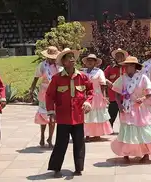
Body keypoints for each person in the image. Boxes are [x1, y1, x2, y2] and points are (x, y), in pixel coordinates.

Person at [46, 48, 93, 178]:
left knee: (79, 143)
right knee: (61, 143)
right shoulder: (56, 79)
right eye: (69, 58)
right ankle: (56, 168)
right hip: (63, 117)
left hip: (78, 116)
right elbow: (49, 95)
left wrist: (88, 102)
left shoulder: (82, 77)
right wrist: (51, 112)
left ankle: (78, 168)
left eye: (73, 57)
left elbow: (90, 90)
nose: (72, 60)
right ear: (64, 62)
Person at [111, 56, 151, 163]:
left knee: (144, 131)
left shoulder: (142, 77)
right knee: (127, 131)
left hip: (140, 109)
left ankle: (146, 154)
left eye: (130, 65)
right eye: (126, 66)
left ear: (135, 67)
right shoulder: (122, 78)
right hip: (127, 108)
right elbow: (116, 92)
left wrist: (144, 98)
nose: (128, 68)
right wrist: (119, 105)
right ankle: (126, 154)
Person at [29, 46, 62, 148]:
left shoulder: (59, 66)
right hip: (44, 93)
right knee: (43, 116)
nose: (52, 59)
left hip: (57, 93)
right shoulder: (42, 65)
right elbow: (35, 78)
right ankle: (42, 136)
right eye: (50, 57)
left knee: (53, 117)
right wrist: (31, 90)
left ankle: (50, 138)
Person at [81, 54, 113, 142]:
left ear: (95, 62)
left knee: (96, 115)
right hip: (85, 95)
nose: (90, 62)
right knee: (86, 114)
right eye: (88, 60)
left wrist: (104, 96)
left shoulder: (99, 72)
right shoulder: (83, 72)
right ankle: (86, 134)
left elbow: (103, 84)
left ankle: (97, 134)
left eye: (92, 60)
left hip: (97, 95)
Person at [104, 48, 128, 130]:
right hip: (113, 96)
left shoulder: (128, 67)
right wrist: (108, 82)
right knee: (111, 115)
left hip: (126, 97)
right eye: (117, 56)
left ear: (124, 57)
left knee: (126, 115)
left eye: (121, 56)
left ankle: (125, 131)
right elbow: (102, 77)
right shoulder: (110, 68)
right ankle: (109, 130)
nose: (119, 57)